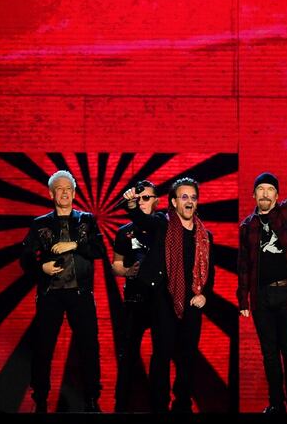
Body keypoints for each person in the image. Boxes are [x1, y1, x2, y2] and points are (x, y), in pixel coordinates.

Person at [237, 128, 287, 414]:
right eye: (261, 189)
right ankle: (276, 404)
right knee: (269, 355)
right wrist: (243, 300)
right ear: (254, 194)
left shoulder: (286, 214)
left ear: (277, 195)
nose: (265, 193)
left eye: (270, 189)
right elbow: (243, 266)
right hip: (261, 299)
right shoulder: (247, 227)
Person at [123, 177, 215, 413]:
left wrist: (204, 295)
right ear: (174, 202)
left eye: (193, 198)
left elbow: (210, 272)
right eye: (184, 197)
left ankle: (182, 403)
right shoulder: (161, 225)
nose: (189, 201)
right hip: (163, 298)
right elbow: (140, 218)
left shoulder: (205, 236)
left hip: (192, 302)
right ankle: (159, 404)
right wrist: (132, 203)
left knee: (188, 357)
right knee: (162, 355)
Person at [21, 170, 106, 413]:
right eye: (60, 188)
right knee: (43, 347)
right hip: (51, 294)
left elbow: (99, 249)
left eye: (69, 188)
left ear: (75, 193)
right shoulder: (40, 224)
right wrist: (41, 268)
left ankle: (91, 398)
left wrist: (75, 244)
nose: (65, 192)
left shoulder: (86, 220)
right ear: (51, 194)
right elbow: (25, 259)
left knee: (89, 346)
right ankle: (41, 399)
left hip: (81, 294)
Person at [112, 180, 160, 412]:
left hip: (161, 301)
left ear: (157, 201)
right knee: (128, 355)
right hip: (134, 300)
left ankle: (157, 405)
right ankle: (121, 404)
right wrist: (127, 271)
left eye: (147, 198)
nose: (142, 202)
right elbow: (116, 265)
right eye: (139, 198)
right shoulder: (124, 232)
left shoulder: (165, 227)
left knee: (161, 355)